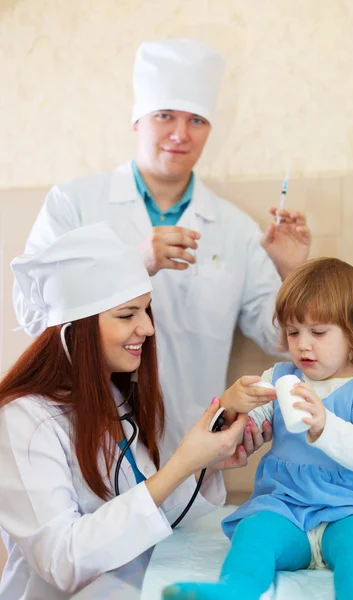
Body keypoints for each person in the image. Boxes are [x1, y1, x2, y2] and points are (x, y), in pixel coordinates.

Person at [13, 38, 312, 467]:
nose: (179, 134)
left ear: (210, 131)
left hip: (194, 450)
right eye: (165, 115)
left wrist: (291, 274)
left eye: (196, 120)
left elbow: (280, 340)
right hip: (87, 445)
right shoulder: (74, 203)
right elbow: (33, 313)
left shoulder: (234, 228)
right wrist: (130, 263)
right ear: (138, 121)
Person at [0, 222, 251, 600]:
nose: (148, 328)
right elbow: (61, 560)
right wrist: (182, 464)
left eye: (146, 311)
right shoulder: (22, 418)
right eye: (127, 315)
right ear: (76, 329)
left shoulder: (113, 399)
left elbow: (145, 518)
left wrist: (206, 465)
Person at [164, 257, 353, 600]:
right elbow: (244, 425)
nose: (303, 344)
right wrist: (234, 404)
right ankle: (234, 589)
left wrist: (325, 425)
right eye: (293, 332)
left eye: (318, 332)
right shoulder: (280, 378)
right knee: (254, 534)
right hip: (286, 507)